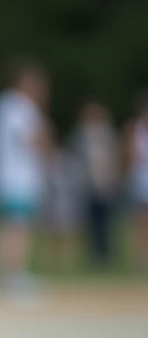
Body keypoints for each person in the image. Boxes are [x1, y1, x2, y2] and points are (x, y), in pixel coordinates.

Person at [0, 59, 52, 299]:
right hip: (17, 177)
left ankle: (7, 275)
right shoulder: (20, 107)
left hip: (3, 175)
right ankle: (13, 276)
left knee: (10, 226)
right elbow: (31, 141)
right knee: (17, 227)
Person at [66, 100, 121, 268]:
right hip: (87, 186)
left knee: (107, 222)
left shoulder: (108, 134)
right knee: (90, 222)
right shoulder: (79, 135)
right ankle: (94, 255)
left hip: (106, 185)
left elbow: (114, 158)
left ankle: (106, 254)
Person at [124, 90, 148, 271]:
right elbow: (129, 155)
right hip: (141, 179)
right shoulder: (135, 128)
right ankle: (140, 258)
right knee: (141, 220)